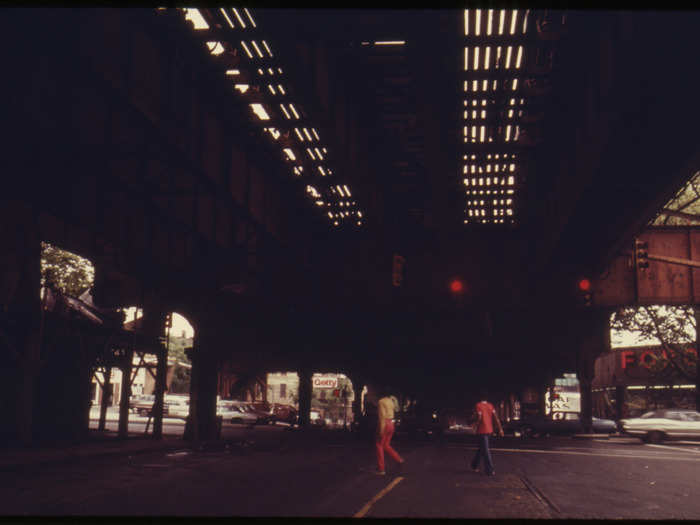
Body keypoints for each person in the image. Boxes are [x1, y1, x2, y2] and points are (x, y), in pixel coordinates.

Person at [470, 391, 504, 476]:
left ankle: (489, 470)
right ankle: (475, 465)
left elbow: (479, 417)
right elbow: (496, 418)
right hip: (489, 430)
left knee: (484, 450)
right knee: (483, 449)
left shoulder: (478, 405)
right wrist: (500, 429)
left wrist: (474, 426)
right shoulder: (490, 406)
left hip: (481, 431)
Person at [375, 388, 404, 475]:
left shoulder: (381, 402)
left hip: (385, 423)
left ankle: (381, 469)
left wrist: (381, 429)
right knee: (386, 445)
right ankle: (399, 459)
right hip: (391, 424)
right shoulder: (391, 401)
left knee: (379, 445)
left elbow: (382, 416)